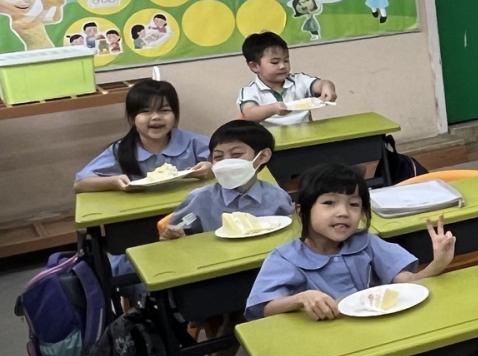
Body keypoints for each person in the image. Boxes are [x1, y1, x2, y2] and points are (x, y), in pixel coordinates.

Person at [244, 163, 456, 320]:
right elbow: (264, 308)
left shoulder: (367, 243)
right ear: (302, 212)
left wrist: (436, 265)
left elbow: (407, 282)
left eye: (354, 205)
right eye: (329, 203)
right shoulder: (286, 258)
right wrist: (301, 299)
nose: (343, 212)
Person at [73, 78, 210, 192]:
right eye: (145, 111)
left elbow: (222, 161)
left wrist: (211, 169)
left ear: (175, 115)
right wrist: (113, 182)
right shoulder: (121, 150)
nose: (156, 117)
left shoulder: (192, 142)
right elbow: (80, 183)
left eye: (164, 110)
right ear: (132, 118)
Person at [163, 120, 293, 238]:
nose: (226, 162)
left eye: (236, 155)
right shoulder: (199, 199)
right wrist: (176, 235)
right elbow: (177, 234)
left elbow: (289, 235)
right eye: (218, 157)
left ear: (262, 156)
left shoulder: (278, 197)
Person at [237, 30, 337, 122]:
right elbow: (248, 115)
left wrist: (328, 87)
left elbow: (322, 84)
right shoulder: (250, 91)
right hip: (270, 136)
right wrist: (273, 109)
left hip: (307, 134)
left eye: (286, 60)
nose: (282, 66)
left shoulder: (299, 80)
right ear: (254, 66)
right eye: (275, 62)